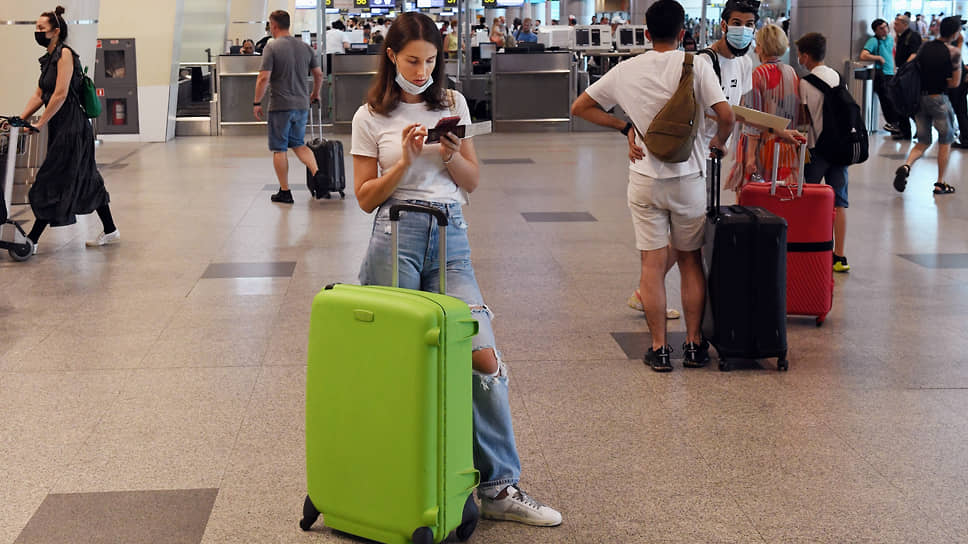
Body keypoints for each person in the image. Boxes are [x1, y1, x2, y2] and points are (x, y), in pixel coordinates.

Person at [350, 11, 563, 527]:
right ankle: (397, 478)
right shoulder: (369, 115)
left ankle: (498, 485)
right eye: (412, 61)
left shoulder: (452, 102)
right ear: (391, 57)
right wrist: (403, 163)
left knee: (482, 356)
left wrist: (448, 155)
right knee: (400, 362)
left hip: (450, 235)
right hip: (395, 234)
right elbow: (364, 197)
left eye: (430, 61)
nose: (422, 71)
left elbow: (472, 179)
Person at [571, 0, 734, 372]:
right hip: (688, 180)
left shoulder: (626, 69)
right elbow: (725, 115)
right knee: (690, 261)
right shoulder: (697, 65)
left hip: (645, 179)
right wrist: (719, 142)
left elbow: (580, 106)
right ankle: (693, 345)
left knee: (652, 264)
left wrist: (624, 127)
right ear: (683, 33)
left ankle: (659, 349)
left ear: (646, 33)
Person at [625, 0, 760, 319]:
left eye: (749, 24)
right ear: (723, 25)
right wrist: (632, 129)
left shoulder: (745, 63)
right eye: (737, 23)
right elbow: (672, 106)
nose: (743, 30)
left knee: (693, 232)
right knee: (690, 236)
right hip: (691, 158)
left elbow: (739, 111)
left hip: (714, 156)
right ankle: (647, 292)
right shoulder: (702, 61)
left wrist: (760, 139)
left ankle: (648, 292)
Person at [21, 6, 120, 252]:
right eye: (36, 27)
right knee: (87, 179)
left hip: (72, 126)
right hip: (61, 125)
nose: (37, 32)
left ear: (56, 31)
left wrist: (40, 123)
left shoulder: (65, 54)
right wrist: (22, 118)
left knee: (52, 178)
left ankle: (32, 240)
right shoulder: (48, 59)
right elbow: (40, 94)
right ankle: (111, 230)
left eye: (41, 28)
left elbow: (61, 93)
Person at [253, 10, 324, 204]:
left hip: (280, 106)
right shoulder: (305, 47)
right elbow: (318, 74)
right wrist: (315, 93)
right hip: (301, 105)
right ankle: (318, 175)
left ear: (274, 25)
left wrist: (257, 101)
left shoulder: (271, 47)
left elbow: (264, 78)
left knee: (280, 148)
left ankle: (285, 191)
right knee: (299, 144)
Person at [797, 32, 852, 273]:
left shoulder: (805, 83)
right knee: (840, 202)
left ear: (806, 56)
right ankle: (840, 256)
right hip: (840, 148)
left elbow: (804, 120)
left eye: (799, 54)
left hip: (817, 149)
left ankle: (810, 249)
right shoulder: (839, 77)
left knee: (808, 200)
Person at [894, 15, 964, 196]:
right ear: (955, 33)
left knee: (923, 141)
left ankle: (906, 166)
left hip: (920, 100)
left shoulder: (925, 47)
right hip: (938, 99)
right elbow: (955, 83)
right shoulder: (954, 52)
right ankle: (940, 183)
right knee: (945, 140)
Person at [738, 24, 804, 185]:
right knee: (783, 193)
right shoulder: (791, 72)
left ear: (762, 47)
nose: (756, 50)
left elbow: (753, 120)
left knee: (757, 195)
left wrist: (750, 156)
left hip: (763, 147)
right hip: (787, 144)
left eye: (758, 45)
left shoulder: (757, 75)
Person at [860, 19, 903, 135]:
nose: (885, 30)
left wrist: (894, 68)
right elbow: (863, 55)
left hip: (891, 73)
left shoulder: (890, 39)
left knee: (893, 99)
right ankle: (893, 123)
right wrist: (878, 58)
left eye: (885, 27)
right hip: (881, 74)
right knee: (887, 99)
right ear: (876, 31)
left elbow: (891, 54)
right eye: (881, 28)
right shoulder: (873, 41)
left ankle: (896, 124)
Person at [893, 14, 922, 141]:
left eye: (897, 24)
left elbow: (914, 54)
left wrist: (904, 68)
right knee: (900, 101)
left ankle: (919, 128)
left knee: (907, 101)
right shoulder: (901, 36)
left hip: (909, 73)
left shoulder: (913, 36)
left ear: (905, 24)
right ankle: (905, 131)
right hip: (902, 71)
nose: (894, 26)